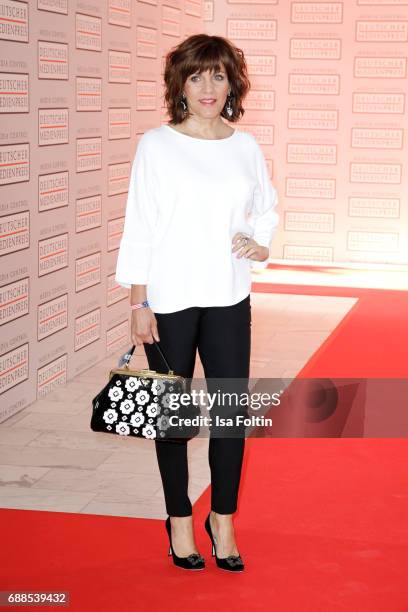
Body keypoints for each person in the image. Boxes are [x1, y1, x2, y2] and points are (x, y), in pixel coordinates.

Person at [115, 34, 279, 572]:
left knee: (232, 415)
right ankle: (179, 519)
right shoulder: (157, 145)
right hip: (170, 299)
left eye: (217, 75)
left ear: (232, 83)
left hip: (230, 295)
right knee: (174, 416)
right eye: (196, 76)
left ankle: (223, 518)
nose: (208, 87)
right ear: (179, 84)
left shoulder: (245, 146)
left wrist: (260, 242)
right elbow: (140, 223)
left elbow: (265, 208)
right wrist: (140, 301)